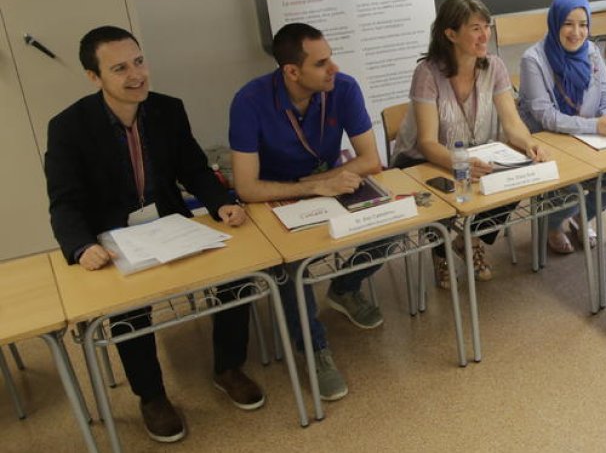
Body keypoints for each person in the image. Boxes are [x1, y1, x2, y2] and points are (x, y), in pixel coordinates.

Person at [45, 26, 260, 444]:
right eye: (120, 68)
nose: (136, 75)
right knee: (130, 306)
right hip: (111, 236)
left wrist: (221, 203)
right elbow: (64, 202)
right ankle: (152, 396)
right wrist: (81, 245)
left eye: (139, 62)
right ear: (94, 77)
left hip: (171, 225)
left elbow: (194, 169)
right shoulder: (68, 127)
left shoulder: (167, 109)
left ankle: (229, 368)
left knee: (238, 274)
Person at [229, 23, 382, 402]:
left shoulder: (342, 88)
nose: (334, 68)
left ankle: (344, 289)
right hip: (273, 197)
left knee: (394, 225)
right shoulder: (250, 101)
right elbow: (247, 188)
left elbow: (371, 159)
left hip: (328, 183)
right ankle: (314, 350)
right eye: (322, 62)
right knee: (290, 267)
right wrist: (312, 187)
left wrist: (327, 182)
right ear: (292, 72)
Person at [391, 0, 548, 286]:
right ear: (450, 34)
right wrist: (459, 163)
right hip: (420, 160)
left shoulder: (495, 66)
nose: (485, 34)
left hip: (475, 151)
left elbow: (512, 124)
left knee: (518, 176)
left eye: (486, 26)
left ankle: (469, 237)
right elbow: (426, 142)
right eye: (476, 28)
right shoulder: (427, 73)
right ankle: (441, 249)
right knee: (439, 192)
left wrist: (529, 143)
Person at [518, 0, 606, 254]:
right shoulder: (533, 60)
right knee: (567, 197)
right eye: (568, 24)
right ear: (555, 23)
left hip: (585, 140)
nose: (576, 32)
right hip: (548, 142)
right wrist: (595, 126)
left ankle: (580, 218)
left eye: (583, 24)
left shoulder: (591, 52)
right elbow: (546, 116)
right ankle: (552, 225)